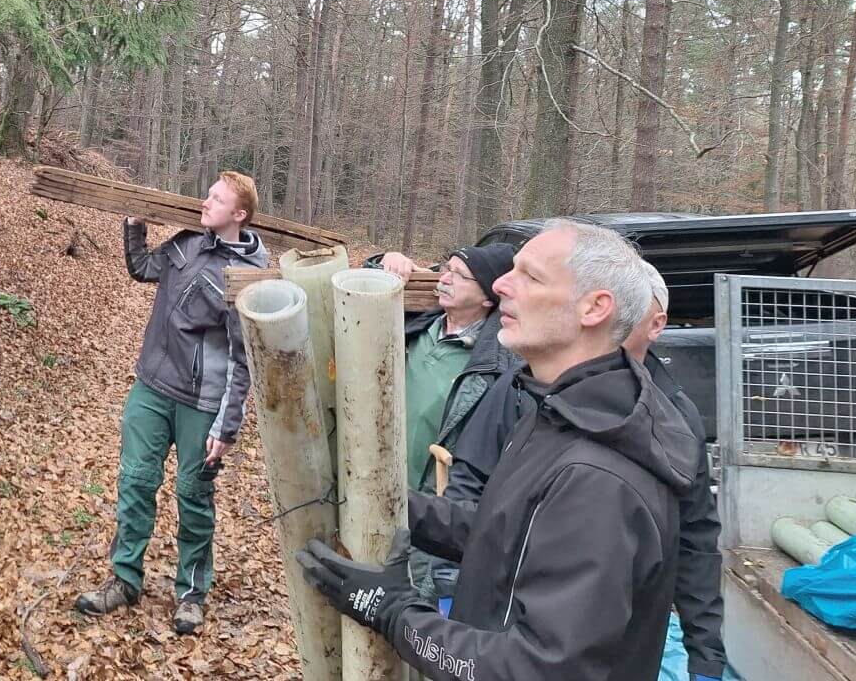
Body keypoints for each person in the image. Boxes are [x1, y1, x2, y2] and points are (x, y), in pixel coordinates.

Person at [298, 218, 701, 681]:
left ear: (594, 308)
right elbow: (510, 534)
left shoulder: (601, 478)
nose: (504, 284)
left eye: (530, 276)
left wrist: (397, 615)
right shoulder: (555, 410)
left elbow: (539, 668)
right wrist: (390, 506)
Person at [441, 261, 725, 679]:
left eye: (629, 309)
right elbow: (473, 489)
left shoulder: (675, 421)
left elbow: (695, 539)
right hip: (490, 640)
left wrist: (705, 653)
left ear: (656, 322)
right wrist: (447, 588)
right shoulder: (525, 390)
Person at [75, 172, 269, 636]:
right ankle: (124, 580)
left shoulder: (251, 275)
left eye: (216, 198)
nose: (205, 201)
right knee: (136, 482)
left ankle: (191, 595)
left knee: (194, 496)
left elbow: (245, 360)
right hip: (152, 387)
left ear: (238, 215)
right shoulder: (186, 243)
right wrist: (135, 224)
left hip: (201, 401)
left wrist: (227, 425)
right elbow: (142, 267)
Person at [368, 243, 518, 599]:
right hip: (374, 484)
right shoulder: (417, 321)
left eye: (458, 275)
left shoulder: (497, 362)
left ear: (487, 297)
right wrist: (383, 263)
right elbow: (358, 293)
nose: (444, 278)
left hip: (429, 509)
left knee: (410, 602)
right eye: (444, 269)